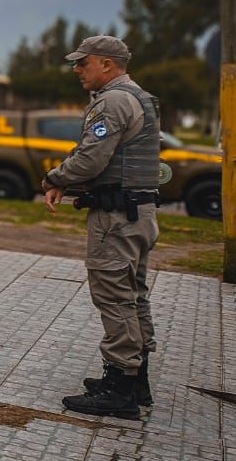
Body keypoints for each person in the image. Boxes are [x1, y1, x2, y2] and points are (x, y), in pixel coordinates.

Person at [43, 36, 161, 420]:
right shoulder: (141, 97)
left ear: (106, 64)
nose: (77, 70)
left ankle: (120, 388)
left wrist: (55, 178)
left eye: (83, 63)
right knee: (133, 295)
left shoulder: (111, 102)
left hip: (116, 219)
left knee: (114, 297)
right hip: (138, 213)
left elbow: (92, 159)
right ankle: (136, 378)